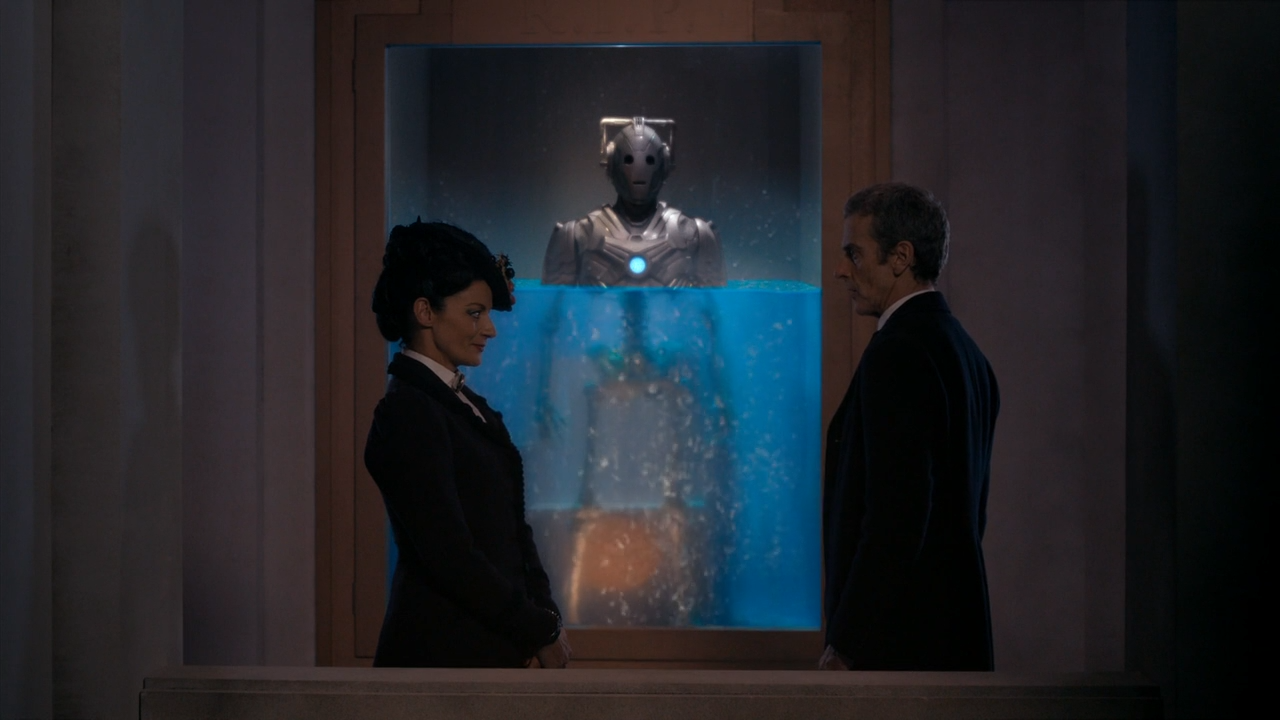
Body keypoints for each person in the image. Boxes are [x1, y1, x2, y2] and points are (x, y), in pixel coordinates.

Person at [365, 219, 573, 668]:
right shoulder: (408, 411)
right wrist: (535, 627)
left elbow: (513, 532)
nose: (489, 329)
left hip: (486, 650)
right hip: (440, 655)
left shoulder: (458, 404)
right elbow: (450, 555)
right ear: (425, 312)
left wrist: (545, 617)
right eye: (474, 313)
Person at [820, 183, 999, 671]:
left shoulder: (898, 353)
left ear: (900, 257)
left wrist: (847, 645)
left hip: (901, 652)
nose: (840, 270)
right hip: (953, 639)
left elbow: (896, 519)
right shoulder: (969, 355)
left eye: (854, 253)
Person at [541, 116, 725, 287]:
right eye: (628, 160)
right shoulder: (577, 234)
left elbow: (714, 306)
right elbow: (554, 305)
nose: (639, 173)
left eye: (649, 161)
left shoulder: (693, 234)